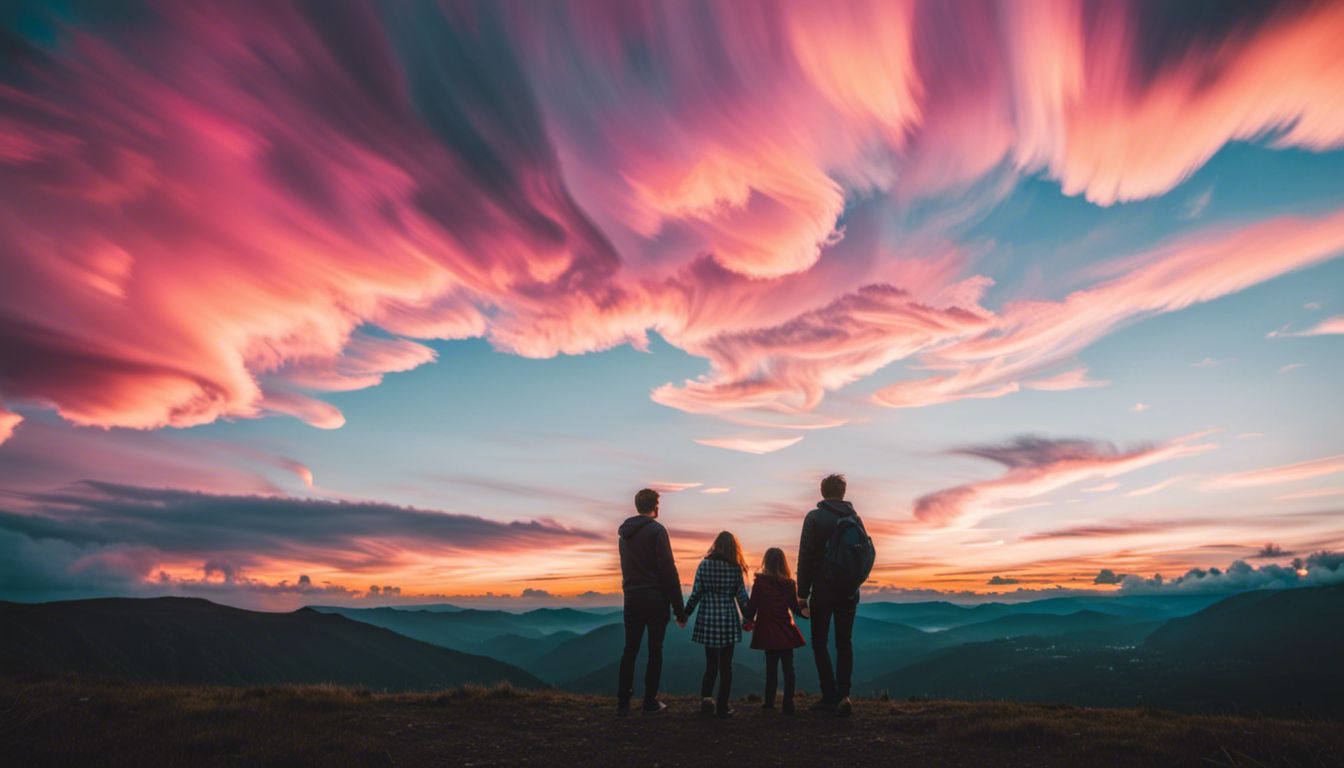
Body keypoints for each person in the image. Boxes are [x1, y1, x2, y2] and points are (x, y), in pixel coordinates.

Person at [797, 473, 874, 717]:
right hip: (850, 590)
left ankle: (829, 695)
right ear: (842, 492)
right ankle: (844, 695)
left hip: (823, 589)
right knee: (844, 642)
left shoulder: (814, 518)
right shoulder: (856, 519)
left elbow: (806, 556)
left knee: (820, 642)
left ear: (823, 492)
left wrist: (802, 593)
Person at [616, 488, 687, 715]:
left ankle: (623, 702)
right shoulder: (657, 531)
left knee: (630, 649)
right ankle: (649, 701)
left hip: (632, 599)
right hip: (656, 600)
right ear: (653, 506)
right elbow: (668, 570)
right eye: (658, 503)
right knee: (655, 651)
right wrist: (679, 609)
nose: (659, 507)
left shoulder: (624, 535)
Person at [683, 531, 750, 717]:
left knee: (710, 664)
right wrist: (750, 616)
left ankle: (706, 700)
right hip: (728, 619)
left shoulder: (704, 565)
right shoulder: (735, 568)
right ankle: (722, 705)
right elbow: (742, 597)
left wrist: (685, 614)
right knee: (726, 666)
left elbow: (696, 593)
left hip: (708, 618)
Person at [743, 547, 806, 715]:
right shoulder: (789, 584)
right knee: (788, 668)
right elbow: (794, 607)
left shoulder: (760, 583)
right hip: (786, 629)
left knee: (771, 668)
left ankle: (769, 702)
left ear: (766, 563)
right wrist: (805, 609)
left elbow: (752, 606)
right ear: (783, 563)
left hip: (768, 631)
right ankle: (788, 702)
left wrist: (747, 620)